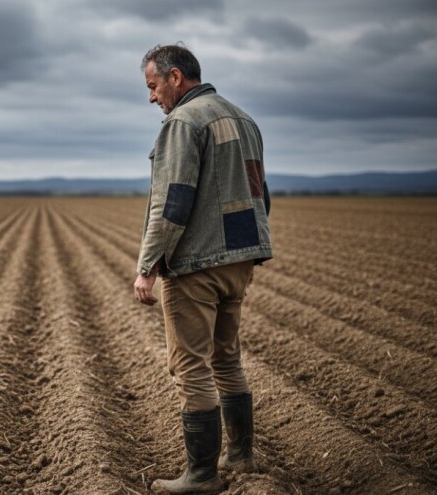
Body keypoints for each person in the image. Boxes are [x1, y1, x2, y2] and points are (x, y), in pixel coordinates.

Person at [133, 44, 273, 494]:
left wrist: (148, 266)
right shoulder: (243, 118)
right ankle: (242, 456)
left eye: (153, 86)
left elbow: (172, 202)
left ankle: (202, 475)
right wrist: (248, 251)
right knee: (227, 359)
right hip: (239, 259)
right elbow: (261, 194)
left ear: (175, 78)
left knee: (190, 368)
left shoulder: (184, 122)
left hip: (196, 263)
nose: (152, 97)